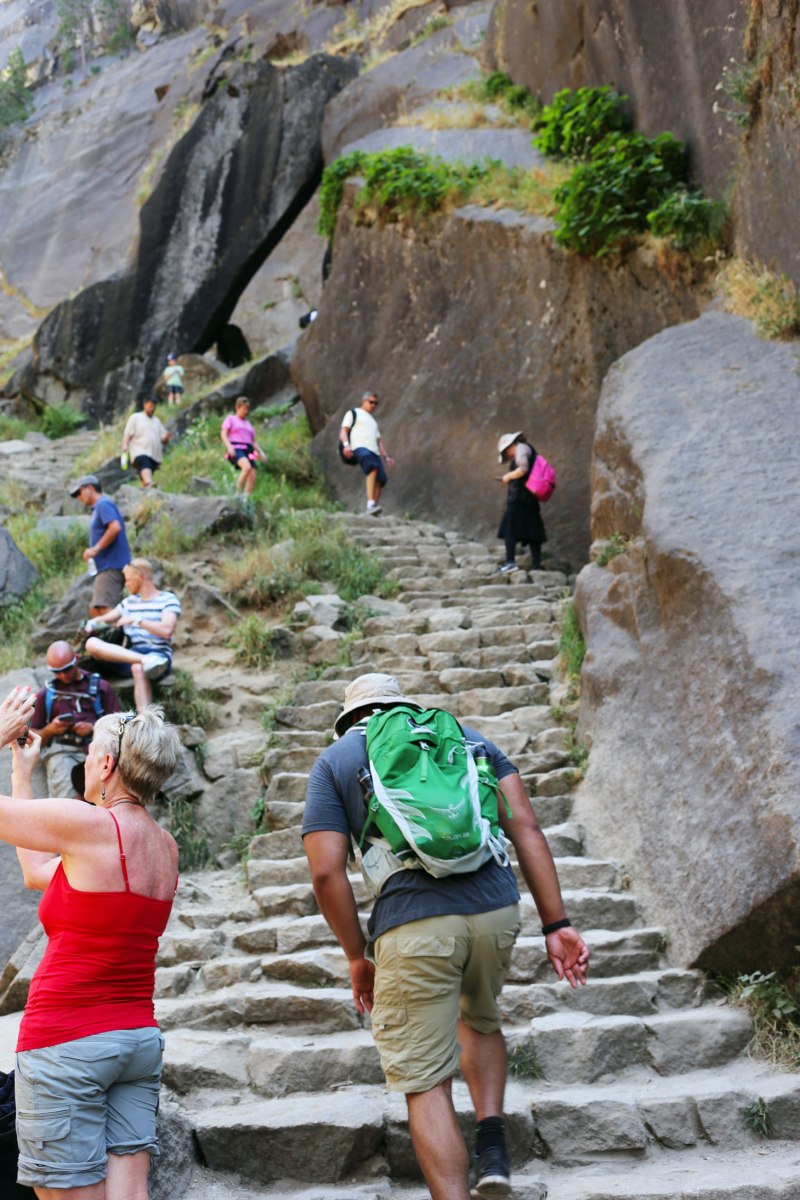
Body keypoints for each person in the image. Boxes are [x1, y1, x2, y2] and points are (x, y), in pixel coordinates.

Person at [302, 673, 590, 1200]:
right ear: (404, 705)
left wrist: (356, 955)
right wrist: (558, 924)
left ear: (350, 719)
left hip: (414, 924)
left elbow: (325, 874)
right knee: (478, 1016)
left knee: (426, 1080)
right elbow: (523, 824)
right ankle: (494, 1147)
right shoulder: (467, 736)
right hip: (495, 910)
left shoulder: (336, 761)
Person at [0, 685, 181, 1200]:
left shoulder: (91, 827)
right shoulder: (165, 848)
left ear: (104, 765)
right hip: (135, 1043)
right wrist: (21, 771)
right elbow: (38, 872)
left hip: (66, 1042)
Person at [84, 560, 181, 712]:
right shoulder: (129, 602)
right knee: (91, 643)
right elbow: (106, 618)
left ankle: (145, 721)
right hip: (132, 655)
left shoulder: (167, 599)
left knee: (138, 669)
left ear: (140, 577)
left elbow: (166, 630)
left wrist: (137, 620)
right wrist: (93, 623)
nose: (126, 585)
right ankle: (145, 660)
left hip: (159, 655)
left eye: (128, 580)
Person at [30, 641, 121, 799]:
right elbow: (31, 739)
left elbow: (122, 726)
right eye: (57, 672)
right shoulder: (46, 695)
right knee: (68, 801)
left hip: (99, 748)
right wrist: (50, 729)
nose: (63, 675)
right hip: (63, 751)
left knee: (107, 795)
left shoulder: (102, 687)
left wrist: (93, 728)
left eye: (67, 669)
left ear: (76, 659)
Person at [69, 475, 132, 617]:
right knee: (98, 609)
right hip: (106, 566)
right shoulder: (99, 507)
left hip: (111, 565)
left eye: (80, 492)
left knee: (104, 608)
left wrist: (95, 549)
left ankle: (121, 636)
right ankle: (114, 636)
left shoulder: (103, 504)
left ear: (90, 488)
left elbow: (115, 527)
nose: (79, 497)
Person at [496, 432, 547, 574]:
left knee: (509, 529)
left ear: (510, 445)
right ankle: (536, 564)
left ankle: (510, 562)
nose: (509, 456)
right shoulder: (527, 448)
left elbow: (523, 469)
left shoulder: (521, 448)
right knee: (533, 530)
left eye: (507, 452)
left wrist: (508, 476)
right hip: (529, 497)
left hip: (520, 497)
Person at [339, 391, 394, 516]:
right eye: (371, 402)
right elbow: (343, 431)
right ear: (364, 401)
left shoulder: (373, 422)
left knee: (381, 479)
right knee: (372, 467)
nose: (373, 405)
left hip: (374, 450)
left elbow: (379, 441)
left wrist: (386, 456)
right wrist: (347, 446)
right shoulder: (353, 413)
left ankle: (373, 508)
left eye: (376, 403)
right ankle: (370, 504)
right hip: (359, 447)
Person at [121, 398, 172, 488]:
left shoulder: (156, 421)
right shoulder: (136, 417)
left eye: (154, 407)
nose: (152, 409)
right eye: (150, 406)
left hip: (154, 454)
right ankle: (149, 483)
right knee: (145, 464)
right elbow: (127, 433)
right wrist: (125, 445)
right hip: (140, 451)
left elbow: (163, 440)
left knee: (145, 473)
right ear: (145, 405)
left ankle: (145, 491)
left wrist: (167, 437)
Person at [220, 396, 266, 496]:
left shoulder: (248, 423)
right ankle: (236, 493)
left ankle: (246, 499)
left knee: (252, 475)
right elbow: (223, 434)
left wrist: (261, 452)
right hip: (236, 447)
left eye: (247, 409)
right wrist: (229, 446)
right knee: (246, 467)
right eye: (244, 408)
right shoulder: (231, 419)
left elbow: (253, 441)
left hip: (249, 449)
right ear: (237, 407)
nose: (246, 411)